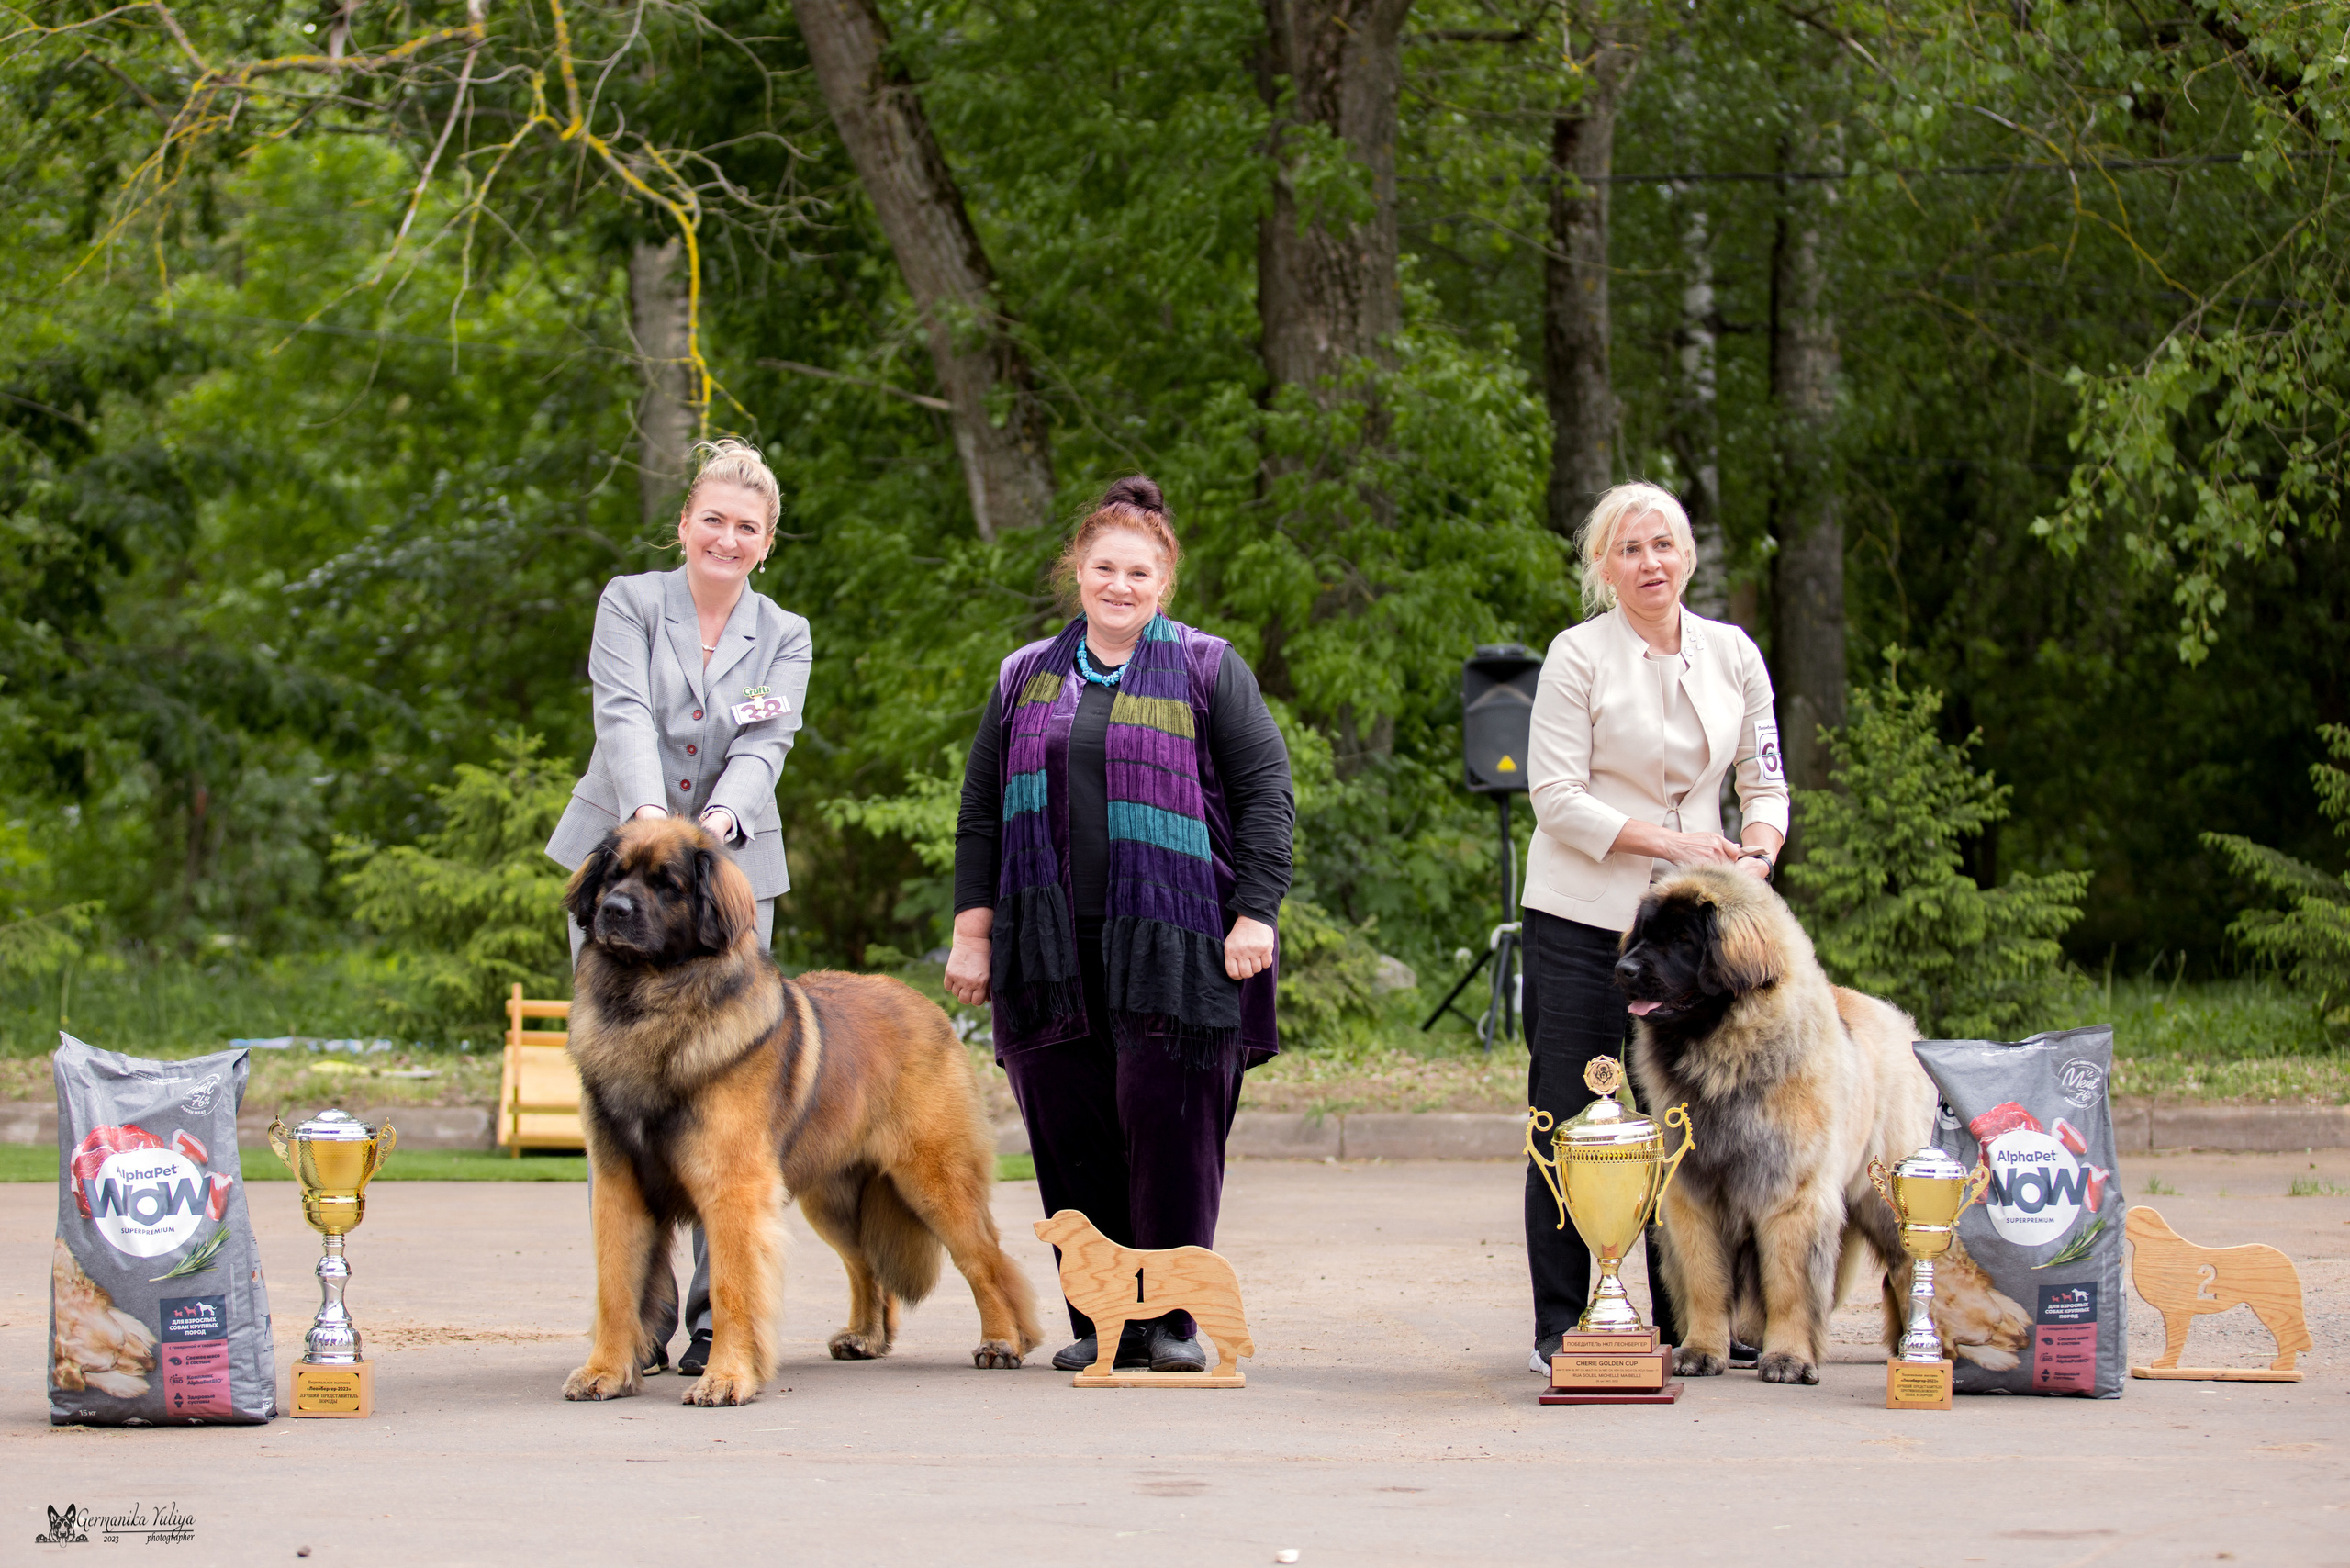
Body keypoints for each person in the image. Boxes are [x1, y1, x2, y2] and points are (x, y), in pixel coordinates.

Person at [945, 476, 1293, 1374]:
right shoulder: (1024, 675)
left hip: (1180, 939)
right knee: (1070, 1127)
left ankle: (1171, 1321)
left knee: (1170, 1125)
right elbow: (981, 811)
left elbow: (1265, 797)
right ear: (1078, 572)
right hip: (1048, 943)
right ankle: (1102, 1325)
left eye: (1139, 571)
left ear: (1164, 581)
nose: (1120, 585)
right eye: (1105, 567)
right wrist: (972, 933)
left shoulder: (1211, 668)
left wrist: (1255, 911)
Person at [543, 437, 813, 1378]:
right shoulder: (631, 601)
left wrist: (717, 830)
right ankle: (630, 1331)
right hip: (625, 857)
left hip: (725, 880)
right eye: (713, 519)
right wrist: (652, 825)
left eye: (747, 526)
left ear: (767, 542)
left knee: (727, 1123)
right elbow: (619, 710)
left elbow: (766, 744)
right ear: (685, 524)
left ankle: (716, 1324)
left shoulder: (785, 632)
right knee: (620, 1109)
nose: (727, 537)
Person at [1519, 481, 1790, 1373]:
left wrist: (1754, 853)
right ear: (1603, 565)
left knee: (1692, 1125)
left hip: (1694, 934)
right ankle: (1565, 1322)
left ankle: (1694, 1323)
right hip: (1584, 915)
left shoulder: (1734, 652)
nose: (1650, 563)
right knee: (1575, 1114)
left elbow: (1765, 780)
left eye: (1664, 545)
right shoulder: (1576, 655)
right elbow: (1554, 798)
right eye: (1629, 549)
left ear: (1689, 555)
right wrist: (1668, 840)